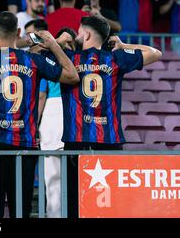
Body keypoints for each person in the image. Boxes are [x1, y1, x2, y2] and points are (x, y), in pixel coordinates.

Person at [0, 11, 79, 218]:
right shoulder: (34, 60)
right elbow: (72, 75)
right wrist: (54, 44)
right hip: (24, 145)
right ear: (19, 31)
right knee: (20, 211)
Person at [59, 16, 162, 218]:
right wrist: (124, 45)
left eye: (79, 31)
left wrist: (59, 42)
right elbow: (155, 53)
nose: (77, 34)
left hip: (76, 140)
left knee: (73, 204)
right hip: (109, 140)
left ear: (86, 34)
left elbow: (35, 52)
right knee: (109, 205)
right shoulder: (116, 58)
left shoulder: (69, 59)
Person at [38, 27, 76, 218]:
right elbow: (41, 96)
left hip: (57, 115)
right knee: (56, 174)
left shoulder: (50, 62)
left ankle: (57, 214)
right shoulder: (75, 62)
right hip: (61, 114)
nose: (67, 46)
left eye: (69, 42)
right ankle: (56, 213)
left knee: (55, 174)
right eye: (64, 42)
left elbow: (42, 95)